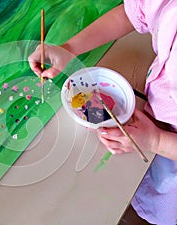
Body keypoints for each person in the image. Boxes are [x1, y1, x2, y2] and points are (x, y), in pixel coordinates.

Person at [29, 1, 177, 224]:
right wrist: (69, 49)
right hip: (150, 119)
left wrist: (157, 141)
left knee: (159, 206)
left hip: (169, 154)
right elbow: (131, 14)